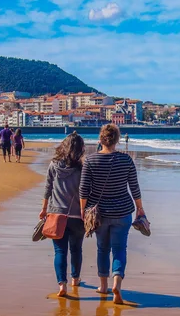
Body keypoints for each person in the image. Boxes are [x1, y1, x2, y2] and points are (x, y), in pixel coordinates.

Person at [79, 124, 145, 304]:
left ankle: (103, 285)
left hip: (99, 213)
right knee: (119, 249)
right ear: (117, 140)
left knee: (102, 248)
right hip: (123, 212)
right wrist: (140, 208)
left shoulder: (91, 161)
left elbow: (83, 191)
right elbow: (134, 187)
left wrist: (82, 211)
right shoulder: (127, 160)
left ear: (100, 140)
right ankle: (117, 283)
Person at [40, 132, 86, 297]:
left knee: (60, 252)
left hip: (57, 214)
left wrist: (44, 209)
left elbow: (48, 188)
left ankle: (62, 285)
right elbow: (84, 192)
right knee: (76, 249)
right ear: (80, 149)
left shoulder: (54, 165)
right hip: (77, 216)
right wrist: (84, 211)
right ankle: (76, 278)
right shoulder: (82, 168)